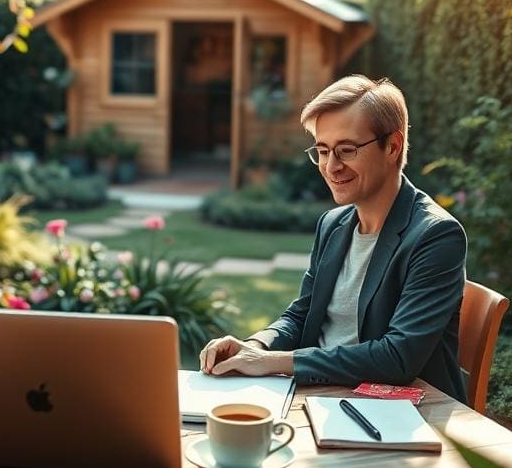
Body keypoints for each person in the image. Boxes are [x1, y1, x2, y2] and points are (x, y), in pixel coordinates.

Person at [199, 75, 468, 403]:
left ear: (393, 146)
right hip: (322, 396)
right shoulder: (334, 224)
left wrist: (276, 362)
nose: (331, 166)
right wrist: (256, 347)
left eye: (346, 150)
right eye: (323, 151)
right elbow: (303, 314)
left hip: (401, 411)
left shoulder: (435, 236)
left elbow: (398, 358)